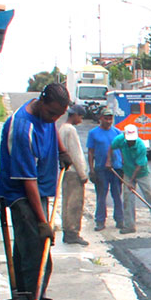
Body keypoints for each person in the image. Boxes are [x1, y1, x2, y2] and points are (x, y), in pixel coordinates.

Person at [0, 82, 71, 300]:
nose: (54, 120)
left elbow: (51, 125)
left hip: (39, 192)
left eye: (59, 116)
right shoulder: (22, 129)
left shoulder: (47, 115)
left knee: (28, 255)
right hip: (21, 197)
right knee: (38, 259)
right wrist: (42, 222)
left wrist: (61, 150)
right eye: (52, 114)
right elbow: (28, 183)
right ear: (41, 102)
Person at [113, 124, 151, 234]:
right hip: (127, 171)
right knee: (127, 198)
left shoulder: (140, 145)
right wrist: (108, 161)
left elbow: (139, 165)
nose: (131, 142)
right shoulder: (120, 139)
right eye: (129, 140)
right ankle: (129, 226)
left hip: (142, 173)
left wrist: (131, 181)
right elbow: (111, 147)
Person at [56, 104, 90, 246]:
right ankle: (72, 233)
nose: (81, 120)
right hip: (74, 173)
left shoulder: (62, 128)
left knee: (67, 202)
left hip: (66, 172)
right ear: (74, 115)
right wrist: (83, 174)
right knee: (75, 204)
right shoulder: (70, 130)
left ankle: (68, 231)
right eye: (80, 117)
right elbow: (76, 154)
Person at [86, 107, 123, 231]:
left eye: (110, 118)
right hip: (101, 169)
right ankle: (100, 221)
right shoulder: (93, 133)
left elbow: (122, 151)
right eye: (106, 118)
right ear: (100, 118)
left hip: (116, 168)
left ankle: (120, 220)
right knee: (101, 196)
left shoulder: (117, 133)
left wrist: (123, 166)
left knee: (117, 194)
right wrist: (91, 169)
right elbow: (90, 152)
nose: (108, 121)